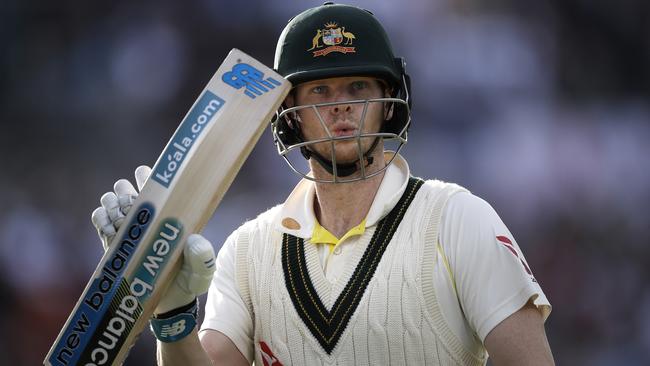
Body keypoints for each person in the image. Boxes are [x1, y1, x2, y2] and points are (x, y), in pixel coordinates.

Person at [92, 3, 554, 365]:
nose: (341, 107)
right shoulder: (248, 251)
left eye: (358, 88)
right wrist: (172, 316)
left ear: (388, 102)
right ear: (288, 117)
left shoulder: (458, 219)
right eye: (320, 91)